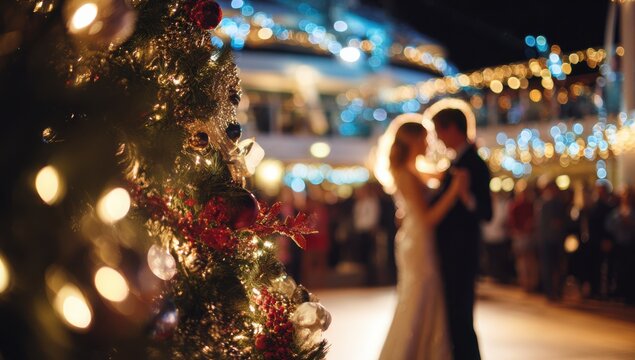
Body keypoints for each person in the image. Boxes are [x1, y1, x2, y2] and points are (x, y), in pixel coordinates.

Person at [379, 122, 469, 360]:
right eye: (425, 138)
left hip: (415, 239)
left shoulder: (409, 169)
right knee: (419, 298)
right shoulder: (406, 173)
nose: (429, 143)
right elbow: (428, 219)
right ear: (412, 140)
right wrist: (454, 190)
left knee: (421, 296)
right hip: (419, 242)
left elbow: (436, 177)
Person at [432, 108, 493, 360]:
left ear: (452, 128)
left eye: (439, 131)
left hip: (462, 253)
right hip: (450, 253)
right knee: (454, 316)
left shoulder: (474, 164)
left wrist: (466, 196)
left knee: (461, 316)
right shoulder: (454, 162)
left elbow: (486, 213)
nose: (437, 138)